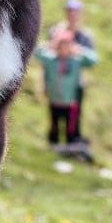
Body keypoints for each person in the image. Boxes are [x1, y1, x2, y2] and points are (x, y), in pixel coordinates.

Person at [34, 20, 97, 150]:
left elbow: (93, 60)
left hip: (70, 101)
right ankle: (53, 145)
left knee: (70, 126)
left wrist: (79, 50)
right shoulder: (51, 60)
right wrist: (50, 45)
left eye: (67, 45)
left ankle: (70, 146)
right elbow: (36, 52)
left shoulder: (75, 61)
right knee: (55, 124)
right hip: (54, 100)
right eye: (61, 44)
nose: (64, 48)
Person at [47, 0, 95, 142]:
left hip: (75, 83)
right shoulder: (56, 31)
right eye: (70, 11)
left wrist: (76, 52)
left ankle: (72, 140)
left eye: (75, 12)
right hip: (56, 81)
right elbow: (48, 54)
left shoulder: (85, 36)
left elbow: (91, 59)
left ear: (80, 14)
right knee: (54, 112)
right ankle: (54, 140)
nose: (72, 15)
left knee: (74, 114)